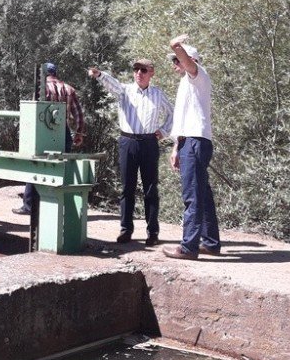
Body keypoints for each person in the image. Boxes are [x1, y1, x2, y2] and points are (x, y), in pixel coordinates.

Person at [87, 58, 173, 245]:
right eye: (136, 69)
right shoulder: (125, 91)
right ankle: (126, 230)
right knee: (127, 188)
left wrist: (164, 131)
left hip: (149, 142)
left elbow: (172, 113)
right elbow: (113, 85)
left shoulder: (158, 94)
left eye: (143, 70)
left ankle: (152, 233)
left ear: (151, 73)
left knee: (151, 189)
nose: (139, 73)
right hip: (128, 141)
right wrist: (100, 75)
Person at [164, 34, 221, 260]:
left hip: (196, 142)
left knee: (192, 196)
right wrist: (176, 147)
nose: (175, 64)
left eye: (177, 60)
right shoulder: (187, 84)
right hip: (190, 141)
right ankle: (211, 243)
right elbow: (184, 121)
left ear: (191, 60)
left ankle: (188, 247)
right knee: (202, 195)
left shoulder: (198, 75)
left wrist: (175, 45)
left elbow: (188, 63)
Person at [13, 62, 85, 215]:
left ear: (43, 74)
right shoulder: (68, 89)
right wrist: (78, 133)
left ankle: (29, 206)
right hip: (63, 132)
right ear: (55, 73)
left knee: (34, 166)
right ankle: (60, 206)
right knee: (60, 169)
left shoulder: (41, 89)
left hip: (42, 132)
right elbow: (78, 113)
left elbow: (34, 111)